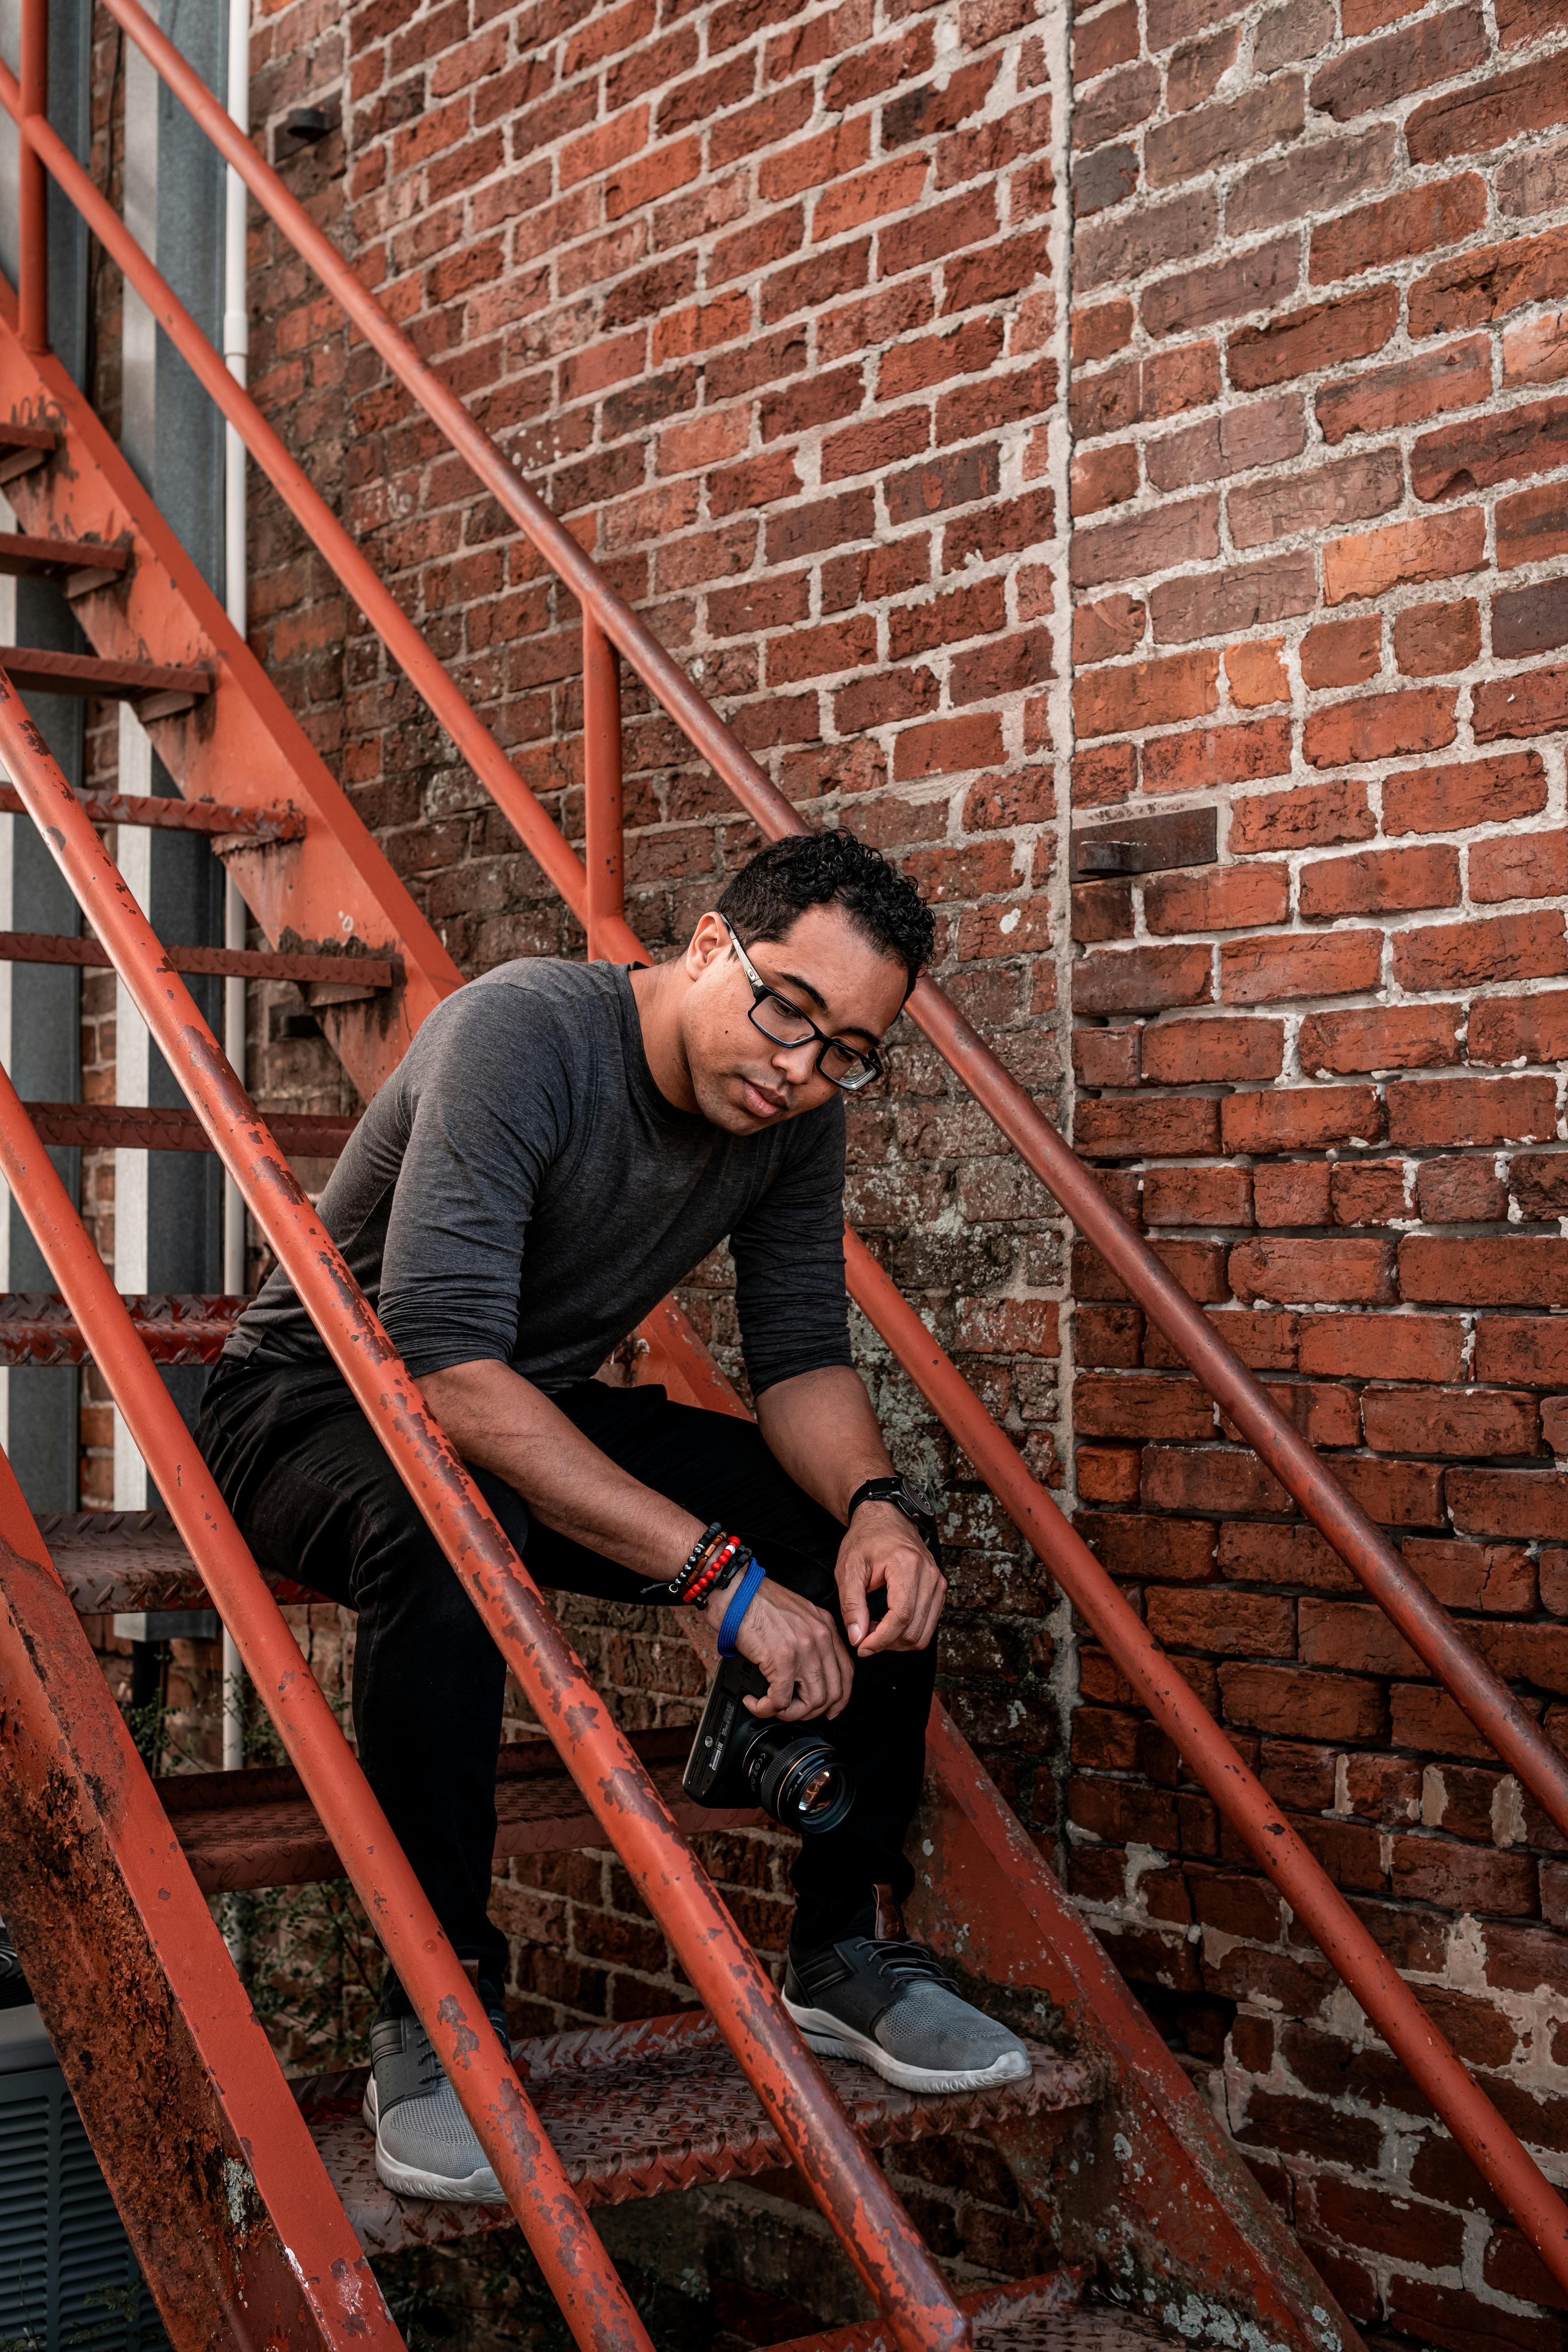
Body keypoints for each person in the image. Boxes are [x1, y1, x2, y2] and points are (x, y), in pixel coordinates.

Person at [196, 829, 1029, 2204]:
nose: (801, 1066)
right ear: (706, 945)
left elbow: (804, 1357)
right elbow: (445, 1375)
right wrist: (718, 1576)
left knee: (864, 1543)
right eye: (788, 1008)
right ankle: (439, 2010)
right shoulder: (518, 1034)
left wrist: (877, 1508)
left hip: (518, 1404)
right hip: (314, 1401)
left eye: (848, 1051)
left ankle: (842, 1948)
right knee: (457, 1535)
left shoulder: (794, 1122)